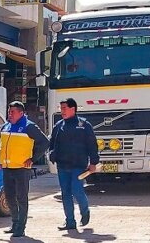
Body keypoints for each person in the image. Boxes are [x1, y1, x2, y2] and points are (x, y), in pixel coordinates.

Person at [0, 101, 49, 237]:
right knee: (10, 197)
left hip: (21, 169)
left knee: (21, 198)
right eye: (9, 111)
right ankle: (15, 223)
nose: (9, 114)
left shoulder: (29, 127)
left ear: (21, 113)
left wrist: (32, 159)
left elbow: (45, 143)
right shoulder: (5, 126)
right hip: (7, 168)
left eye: (12, 112)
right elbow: (0, 145)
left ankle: (21, 227)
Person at [49, 98, 100, 230]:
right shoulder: (59, 126)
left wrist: (94, 162)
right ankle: (70, 222)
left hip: (78, 165)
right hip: (62, 166)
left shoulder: (84, 125)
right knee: (65, 193)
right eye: (61, 109)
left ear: (73, 109)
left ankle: (85, 211)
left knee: (77, 190)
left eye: (64, 108)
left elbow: (92, 145)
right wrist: (52, 155)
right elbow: (52, 143)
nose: (62, 111)